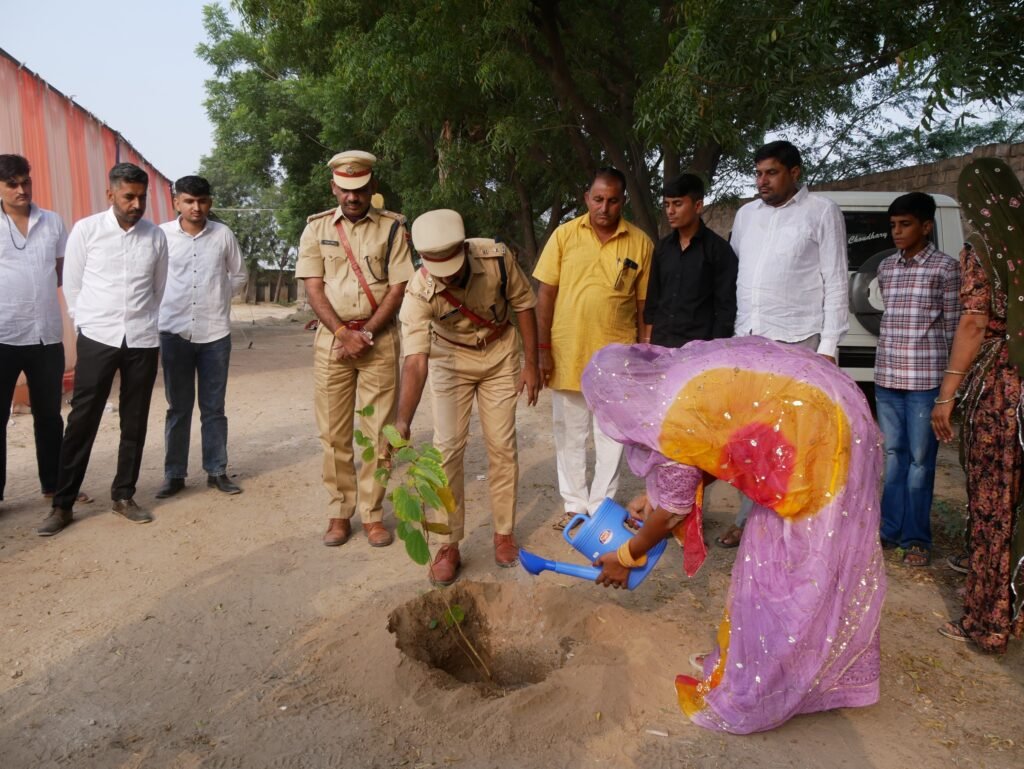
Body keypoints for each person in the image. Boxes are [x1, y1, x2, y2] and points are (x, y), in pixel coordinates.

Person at [584, 337, 885, 734]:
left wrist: (626, 557)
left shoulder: (670, 419)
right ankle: (819, 673)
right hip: (834, 405)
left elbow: (673, 511)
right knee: (828, 551)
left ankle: (765, 685)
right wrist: (653, 496)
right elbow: (715, 449)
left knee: (784, 564)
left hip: (815, 434)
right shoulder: (675, 380)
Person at [395, 209, 540, 585]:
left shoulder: (495, 258)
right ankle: (448, 544)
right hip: (449, 359)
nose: (451, 277)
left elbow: (524, 304)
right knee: (446, 450)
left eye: (455, 267)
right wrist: (402, 421)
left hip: (498, 352)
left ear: (463, 247)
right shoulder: (418, 291)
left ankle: (504, 532)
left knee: (502, 446)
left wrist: (532, 364)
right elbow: (414, 362)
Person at [718, 140, 849, 548]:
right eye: (758, 174)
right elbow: (734, 272)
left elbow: (837, 280)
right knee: (748, 435)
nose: (762, 181)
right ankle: (747, 518)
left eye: (771, 173)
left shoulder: (822, 212)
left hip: (799, 340)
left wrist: (828, 347)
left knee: (794, 437)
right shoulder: (746, 216)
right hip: (748, 339)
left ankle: (791, 522)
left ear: (795, 172)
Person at [37, 163, 169, 535]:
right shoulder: (87, 230)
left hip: (142, 339)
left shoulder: (155, 237)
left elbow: (158, 289)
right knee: (82, 420)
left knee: (135, 419)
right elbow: (73, 283)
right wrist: (86, 324)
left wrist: (143, 322)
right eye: (129, 196)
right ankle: (63, 505)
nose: (136, 204)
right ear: (110, 194)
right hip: (98, 336)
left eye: (141, 197)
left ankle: (124, 494)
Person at [296, 150, 413, 548]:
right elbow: (313, 286)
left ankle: (373, 514)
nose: (352, 197)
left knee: (380, 433)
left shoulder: (394, 228)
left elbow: (399, 287)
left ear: (371, 187)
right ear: (334, 187)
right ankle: (339, 513)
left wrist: (365, 334)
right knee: (333, 432)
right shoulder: (314, 229)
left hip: (378, 341)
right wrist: (343, 333)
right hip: (332, 342)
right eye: (345, 190)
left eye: (360, 189)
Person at [932, 158, 1024, 653]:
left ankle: (987, 622)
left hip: (1002, 395)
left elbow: (972, 324)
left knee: (994, 508)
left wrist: (947, 395)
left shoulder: (982, 252)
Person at [533, 167, 653, 529]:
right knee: (569, 434)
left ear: (623, 202)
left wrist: (646, 352)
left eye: (612, 200)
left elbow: (644, 305)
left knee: (611, 439)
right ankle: (574, 505)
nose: (604, 207)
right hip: (567, 354)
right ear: (586, 198)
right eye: (598, 199)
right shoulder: (564, 236)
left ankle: (601, 505)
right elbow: (546, 295)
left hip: (617, 362)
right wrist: (542, 349)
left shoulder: (640, 242)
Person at [874, 193, 959, 566]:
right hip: (887, 377)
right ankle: (889, 530)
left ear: (926, 226)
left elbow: (956, 328)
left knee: (921, 461)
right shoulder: (887, 268)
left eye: (905, 224)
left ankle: (916, 538)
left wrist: (951, 390)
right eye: (893, 225)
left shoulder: (946, 269)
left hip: (925, 381)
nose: (897, 232)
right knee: (893, 456)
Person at [155, 176, 248, 499]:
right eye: (189, 201)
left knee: (213, 407)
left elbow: (239, 275)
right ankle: (174, 475)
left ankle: (217, 471)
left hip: (214, 333)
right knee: (178, 407)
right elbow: (152, 278)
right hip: (174, 332)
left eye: (203, 201)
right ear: (176, 202)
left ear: (209, 202)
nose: (197, 208)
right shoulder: (161, 236)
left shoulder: (223, 235)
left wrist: (219, 299)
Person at [0, 154, 67, 503]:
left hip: (45, 335)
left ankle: (54, 486)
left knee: (49, 416)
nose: (21, 189)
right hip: (2, 335)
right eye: (13, 184)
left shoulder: (53, 222)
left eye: (25, 181)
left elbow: (60, 270)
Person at [644, 173, 737, 348]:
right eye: (667, 205)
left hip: (699, 350)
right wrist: (649, 343)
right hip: (661, 346)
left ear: (698, 205)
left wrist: (714, 351)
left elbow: (725, 309)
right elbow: (653, 301)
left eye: (677, 204)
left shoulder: (718, 250)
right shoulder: (662, 248)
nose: (670, 211)